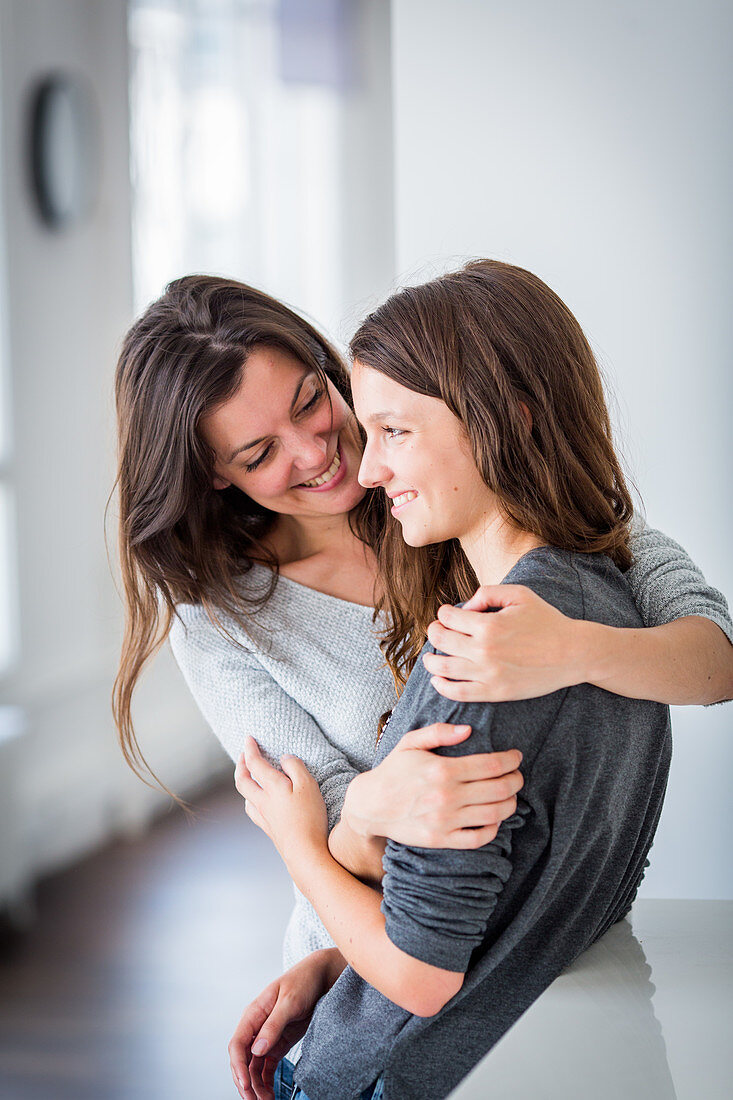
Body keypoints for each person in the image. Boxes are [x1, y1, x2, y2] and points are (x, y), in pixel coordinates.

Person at [111, 275, 732, 1096]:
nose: (317, 453)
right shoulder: (224, 620)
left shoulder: (464, 497)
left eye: (311, 401)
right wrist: (364, 822)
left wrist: (571, 648)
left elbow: (712, 657)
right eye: (258, 454)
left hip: (475, 952)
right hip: (367, 956)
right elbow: (342, 843)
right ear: (213, 475)